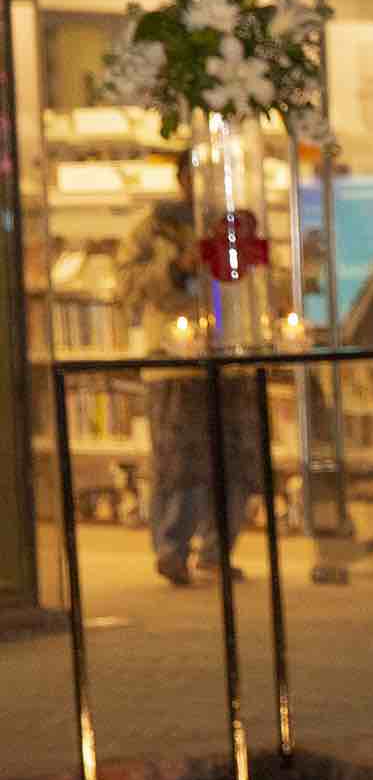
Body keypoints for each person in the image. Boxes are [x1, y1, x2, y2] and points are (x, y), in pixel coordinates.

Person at [116, 151, 263, 587]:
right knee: (180, 464)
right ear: (180, 178)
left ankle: (218, 551)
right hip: (176, 364)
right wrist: (177, 268)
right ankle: (172, 550)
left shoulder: (238, 224)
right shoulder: (152, 229)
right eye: (194, 175)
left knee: (236, 461)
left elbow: (258, 280)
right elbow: (127, 285)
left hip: (232, 358)